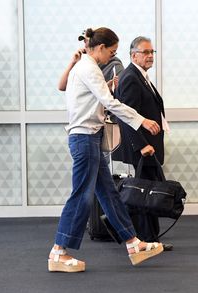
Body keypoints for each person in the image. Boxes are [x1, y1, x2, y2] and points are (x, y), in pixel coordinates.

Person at [48, 28, 163, 273]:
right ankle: (59, 251)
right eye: (111, 52)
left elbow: (95, 98)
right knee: (81, 195)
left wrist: (108, 86)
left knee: (109, 194)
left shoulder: (86, 68)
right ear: (100, 48)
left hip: (88, 138)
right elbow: (110, 103)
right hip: (85, 139)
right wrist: (141, 120)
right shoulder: (89, 67)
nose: (112, 57)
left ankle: (133, 243)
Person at [112, 36, 172, 251]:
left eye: (151, 52)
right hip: (143, 147)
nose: (149, 56)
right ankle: (147, 239)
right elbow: (125, 117)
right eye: (145, 52)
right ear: (133, 55)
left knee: (149, 191)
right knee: (145, 193)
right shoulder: (130, 77)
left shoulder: (140, 76)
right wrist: (141, 145)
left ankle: (151, 238)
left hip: (149, 145)